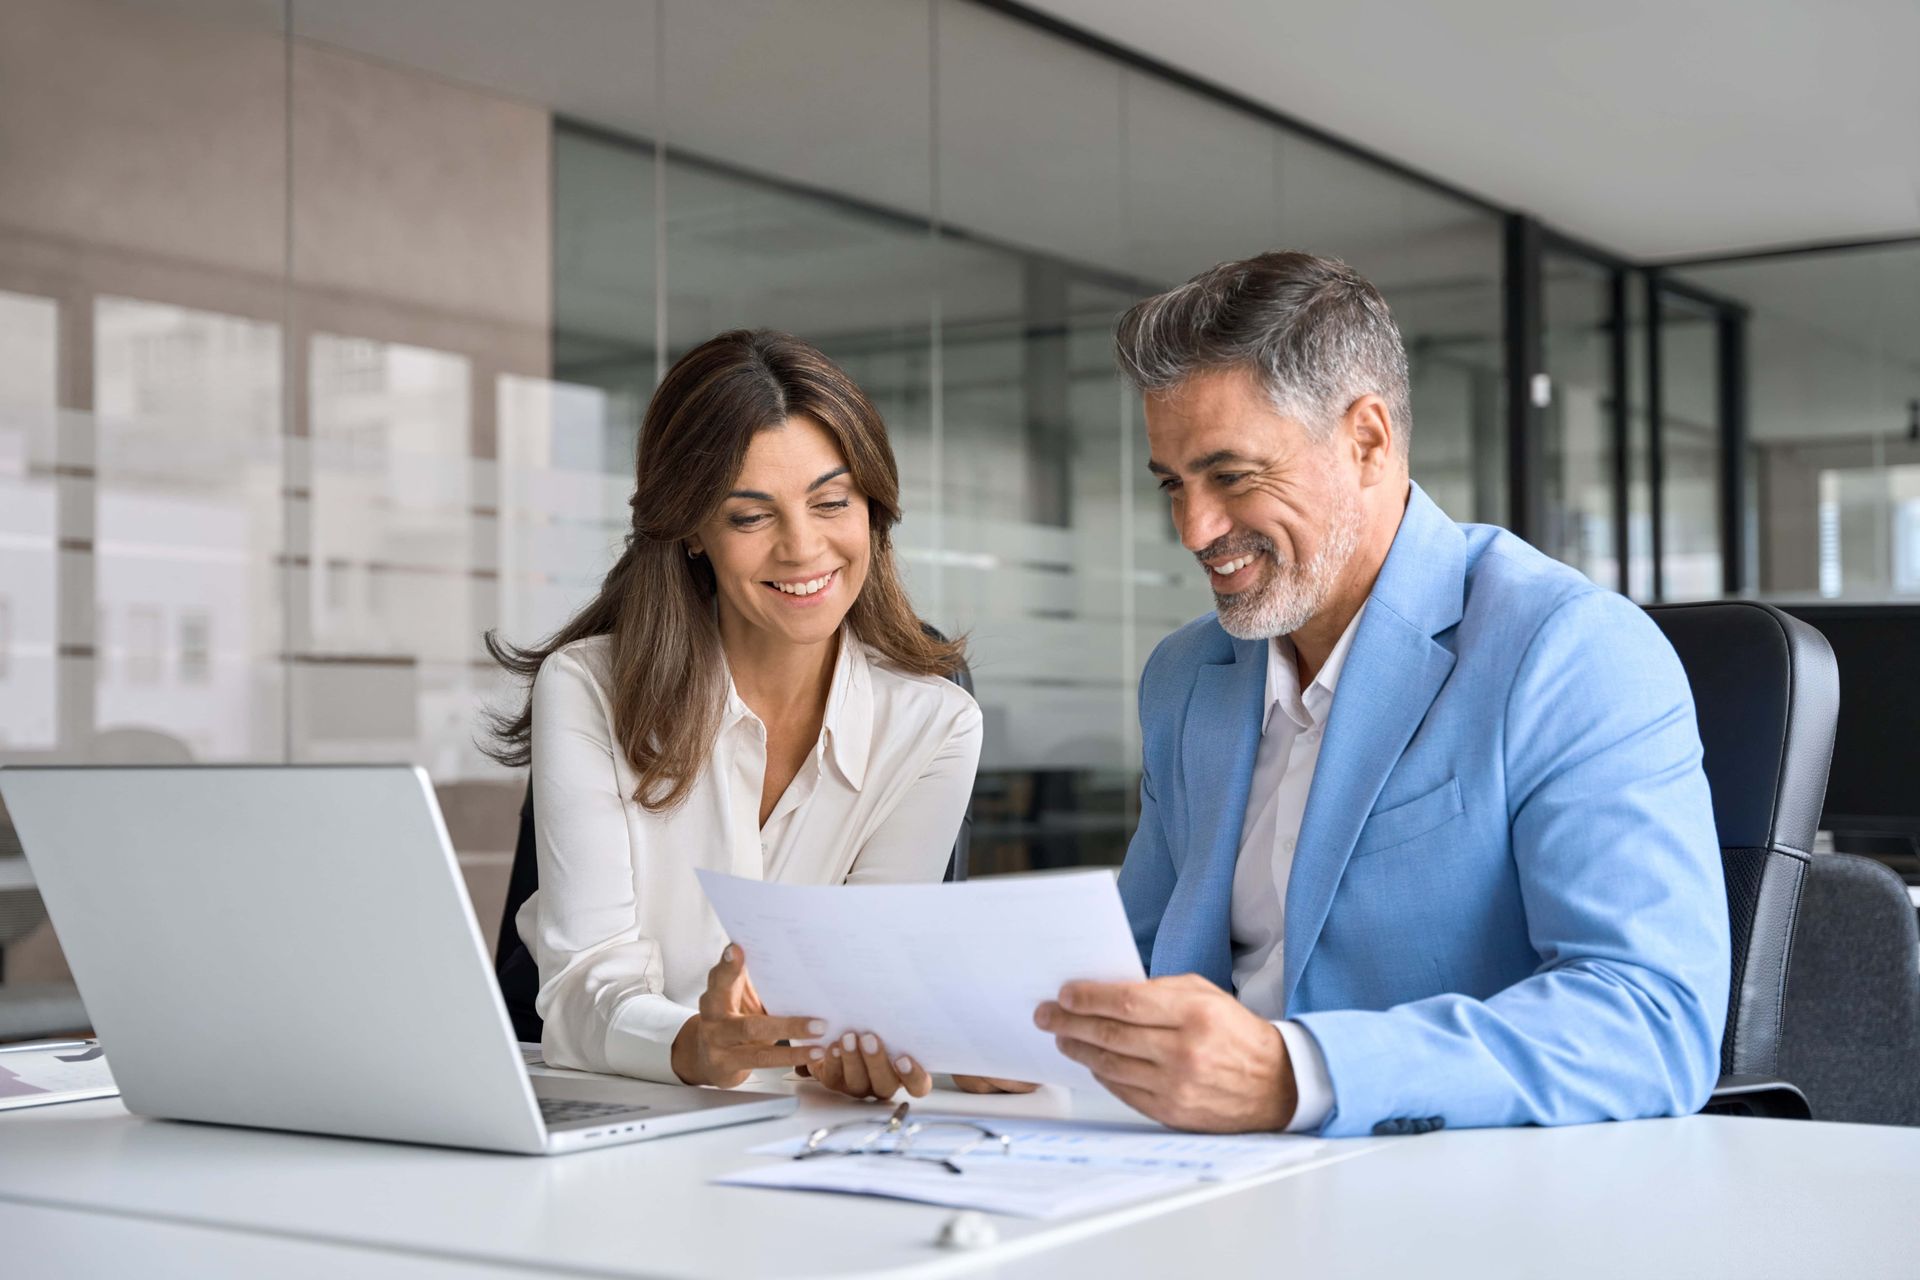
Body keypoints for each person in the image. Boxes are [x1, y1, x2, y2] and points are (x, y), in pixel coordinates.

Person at [1034, 251, 1731, 1136]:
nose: (1194, 528)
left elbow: (1652, 1017)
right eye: (1174, 484)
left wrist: (1300, 1075)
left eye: (1233, 476)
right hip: (1197, 1175)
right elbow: (1130, 965)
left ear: (1366, 440)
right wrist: (991, 1044)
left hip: (1451, 1194)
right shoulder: (1188, 677)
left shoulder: (1567, 650)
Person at [485, 330, 981, 1100]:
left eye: (831, 502)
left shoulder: (936, 722)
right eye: (750, 517)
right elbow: (583, 984)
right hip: (615, 1112)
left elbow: (862, 990)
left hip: (795, 1129)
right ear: (691, 530)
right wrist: (694, 1044)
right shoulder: (587, 688)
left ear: (872, 506)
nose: (803, 547)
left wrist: (900, 1037)